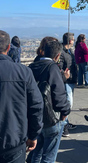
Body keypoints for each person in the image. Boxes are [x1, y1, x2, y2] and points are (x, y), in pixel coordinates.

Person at [0, 30, 43, 163]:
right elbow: (36, 106)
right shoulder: (23, 72)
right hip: (14, 141)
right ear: (8, 48)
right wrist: (33, 135)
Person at [29, 40, 70, 163]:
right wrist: (65, 112)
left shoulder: (31, 67)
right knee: (49, 156)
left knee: (36, 151)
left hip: (34, 117)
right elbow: (59, 95)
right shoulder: (53, 68)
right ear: (57, 56)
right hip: (51, 118)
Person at [58, 32, 78, 137]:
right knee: (68, 102)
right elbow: (60, 67)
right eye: (73, 39)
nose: (74, 41)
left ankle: (66, 122)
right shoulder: (63, 52)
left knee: (69, 102)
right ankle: (64, 125)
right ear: (70, 41)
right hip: (66, 81)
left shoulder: (69, 51)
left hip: (71, 80)